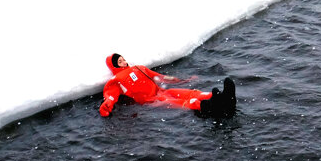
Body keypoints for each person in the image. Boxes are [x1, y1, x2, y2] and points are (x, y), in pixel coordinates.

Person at [98, 54, 235, 118]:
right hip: (151, 101)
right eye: (120, 61)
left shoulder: (139, 68)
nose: (124, 62)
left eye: (123, 59)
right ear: (114, 65)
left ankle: (221, 97)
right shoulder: (117, 80)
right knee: (177, 102)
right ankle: (208, 106)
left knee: (190, 93)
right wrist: (107, 105)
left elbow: (160, 77)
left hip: (161, 91)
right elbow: (111, 94)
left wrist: (182, 80)